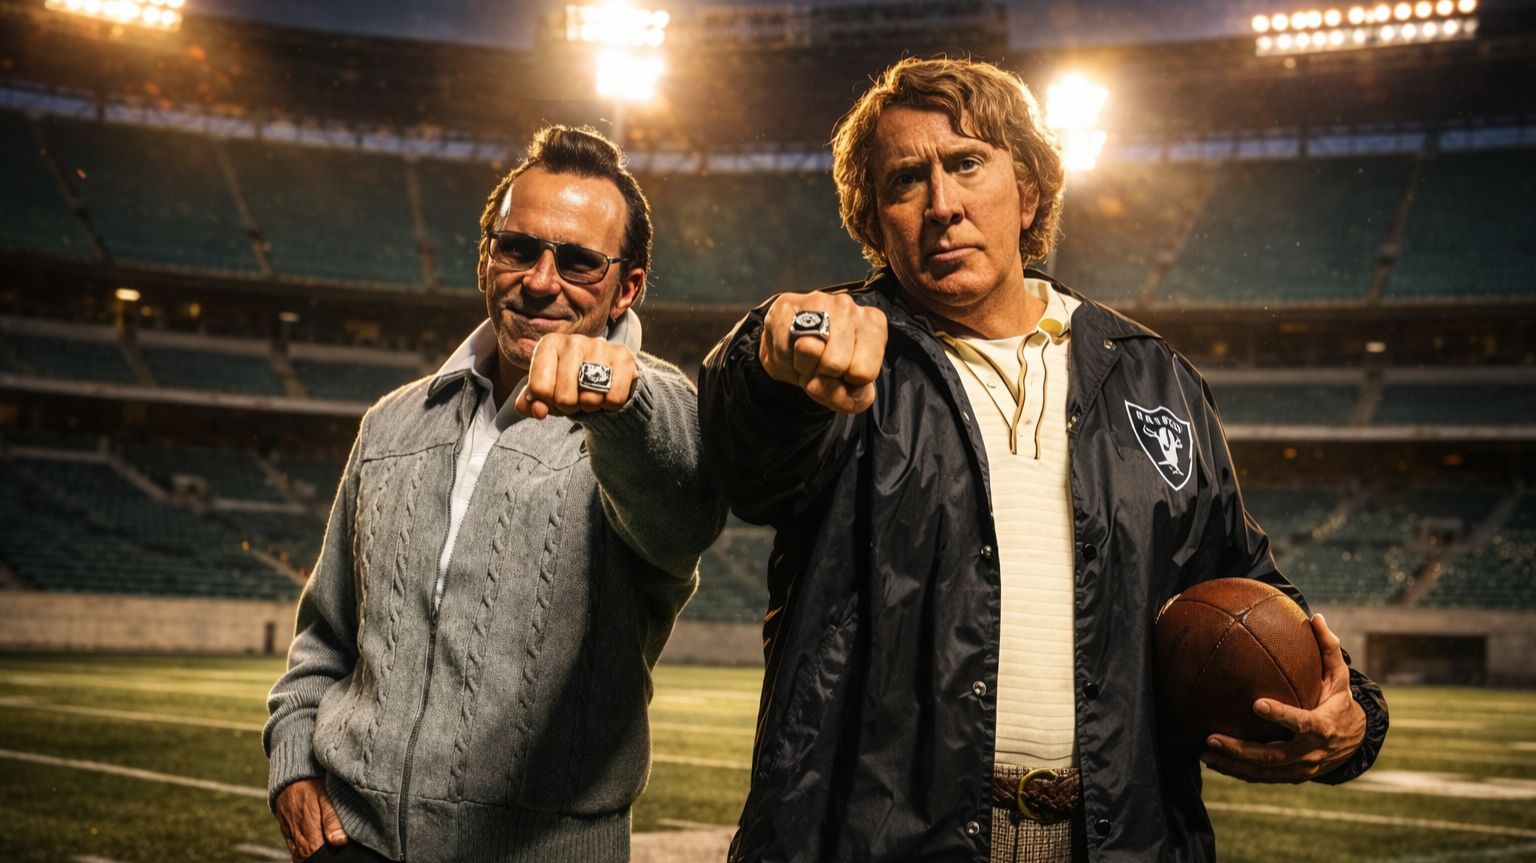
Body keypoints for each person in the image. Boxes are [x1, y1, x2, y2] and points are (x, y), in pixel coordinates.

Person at [698, 57, 1388, 862]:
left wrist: (1350, 715)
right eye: (905, 181)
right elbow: (750, 455)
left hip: (1116, 840)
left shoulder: (1153, 376)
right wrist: (771, 362)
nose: (942, 204)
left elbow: (1243, 582)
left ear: (1027, 192)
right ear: (875, 224)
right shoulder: (845, 357)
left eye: (967, 163)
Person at [264, 125, 726, 863]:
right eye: (519, 248)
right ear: (486, 256)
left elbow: (682, 494)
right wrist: (292, 757)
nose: (541, 281)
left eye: (579, 261)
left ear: (627, 288)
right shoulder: (391, 422)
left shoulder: (647, 420)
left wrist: (620, 393)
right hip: (353, 844)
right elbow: (325, 636)